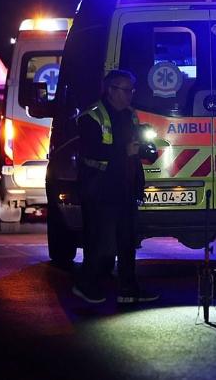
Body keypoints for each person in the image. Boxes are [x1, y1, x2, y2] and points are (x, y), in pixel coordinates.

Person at [72, 69, 159, 304]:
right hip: (100, 186)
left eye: (132, 90)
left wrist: (146, 152)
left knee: (127, 240)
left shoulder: (130, 115)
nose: (130, 95)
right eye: (125, 90)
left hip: (125, 185)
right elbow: (90, 151)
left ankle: (128, 289)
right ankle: (87, 285)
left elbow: (135, 147)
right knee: (102, 243)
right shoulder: (92, 116)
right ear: (110, 90)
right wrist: (124, 151)